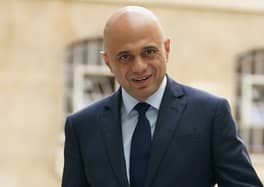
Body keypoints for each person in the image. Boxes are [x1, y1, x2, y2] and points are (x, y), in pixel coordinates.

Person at [62, 6, 263, 187]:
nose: (139, 67)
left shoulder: (210, 114)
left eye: (149, 52)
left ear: (166, 49)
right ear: (107, 61)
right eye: (125, 57)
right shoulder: (82, 127)